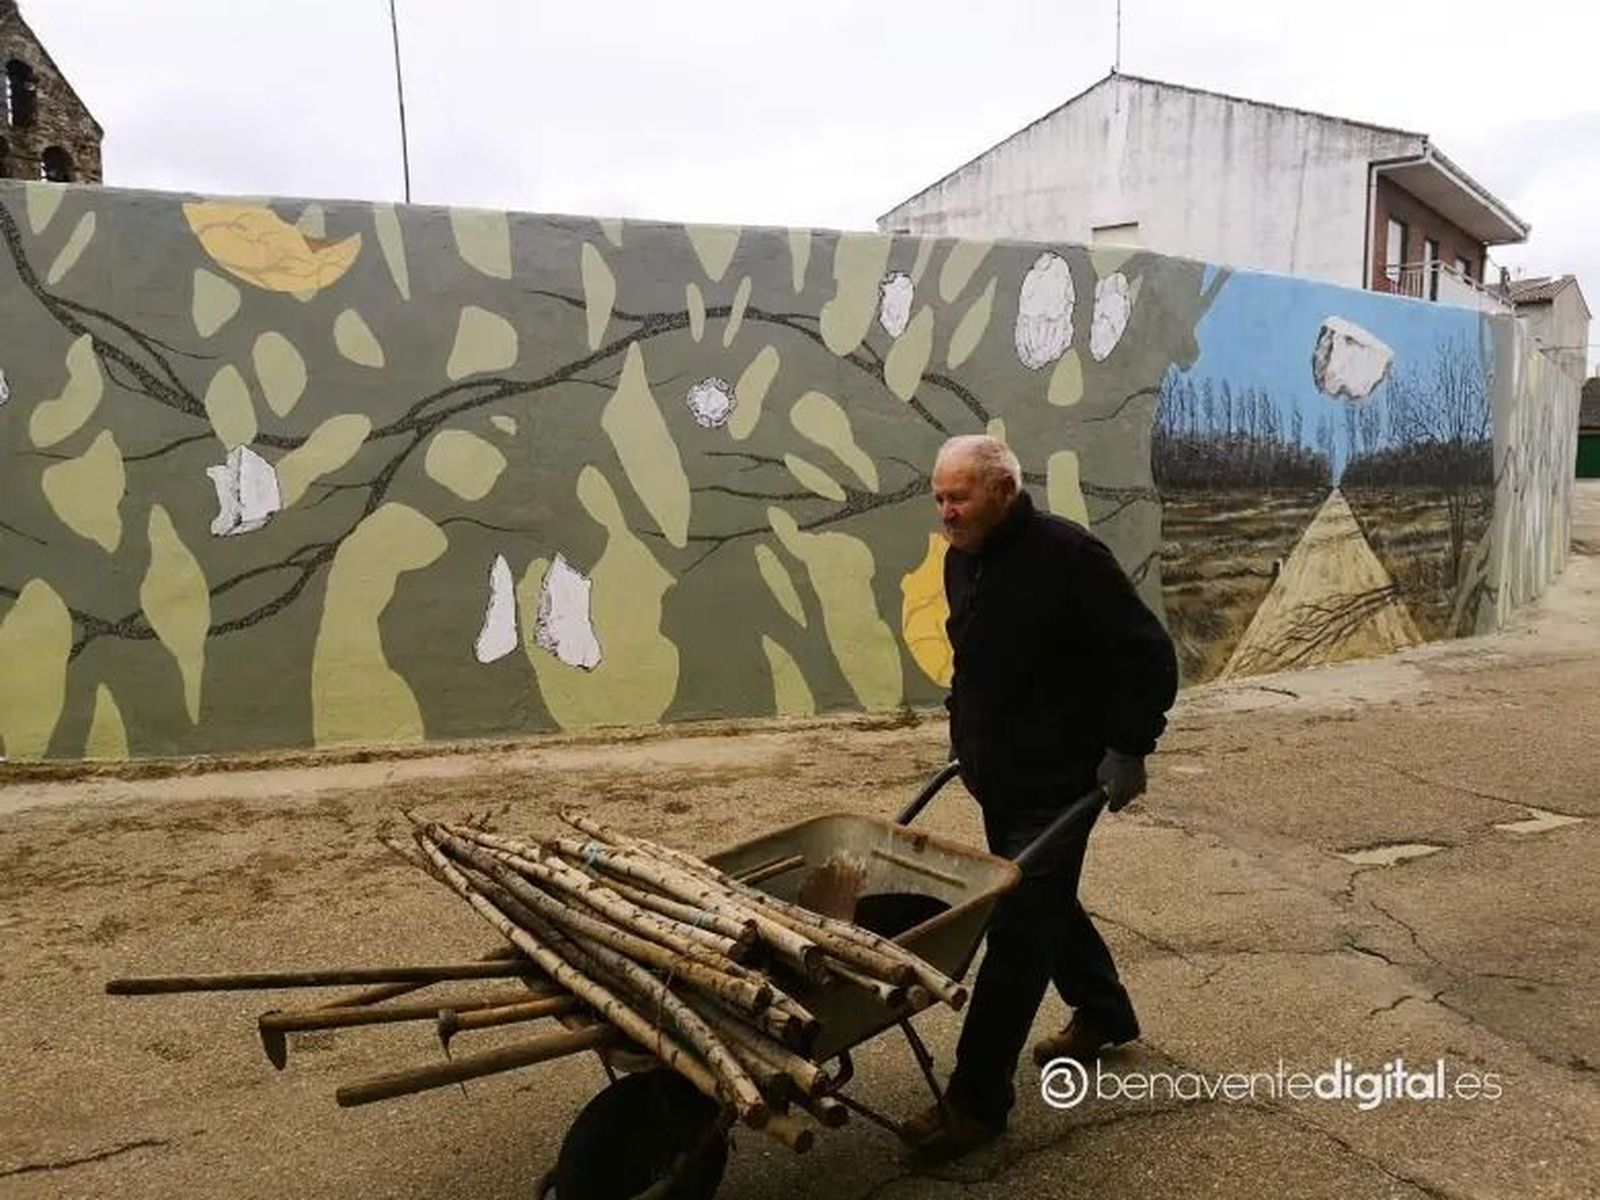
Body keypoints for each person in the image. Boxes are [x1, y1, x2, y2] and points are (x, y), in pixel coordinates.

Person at [902, 434, 1178, 1159]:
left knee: (1018, 930)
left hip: (1060, 780)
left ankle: (976, 1103)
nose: (946, 513)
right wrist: (962, 727)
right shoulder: (966, 558)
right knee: (1040, 898)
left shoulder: (1068, 557)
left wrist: (1129, 747)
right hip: (998, 773)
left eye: (958, 498)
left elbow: (1145, 652)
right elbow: (975, 655)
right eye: (938, 498)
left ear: (1002, 491)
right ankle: (1104, 1010)